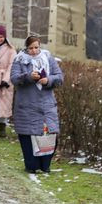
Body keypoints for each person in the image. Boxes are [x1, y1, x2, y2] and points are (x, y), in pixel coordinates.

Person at [11, 35, 63, 174]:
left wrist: (48, 80)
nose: (34, 51)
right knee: (28, 135)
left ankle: (46, 165)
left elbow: (59, 77)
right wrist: (28, 77)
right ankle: (31, 165)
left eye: (36, 47)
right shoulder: (19, 60)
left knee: (49, 135)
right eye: (31, 48)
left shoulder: (48, 58)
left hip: (46, 104)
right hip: (26, 104)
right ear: (26, 48)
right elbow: (14, 78)